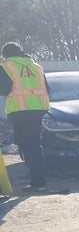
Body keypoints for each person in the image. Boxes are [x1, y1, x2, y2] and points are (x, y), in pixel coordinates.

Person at [0, 41, 50, 192]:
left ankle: (38, 181)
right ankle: (39, 180)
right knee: (35, 144)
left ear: (5, 54)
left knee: (26, 145)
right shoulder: (36, 66)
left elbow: (4, 89)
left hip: (20, 110)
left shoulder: (6, 66)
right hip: (38, 109)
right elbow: (47, 88)